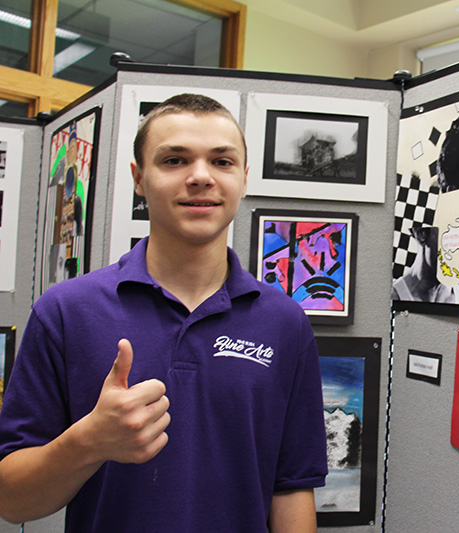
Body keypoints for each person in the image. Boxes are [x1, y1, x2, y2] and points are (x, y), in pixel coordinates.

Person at [0, 94, 328, 531]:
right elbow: (13, 502)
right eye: (174, 160)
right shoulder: (64, 312)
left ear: (244, 179)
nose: (200, 177)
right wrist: (88, 442)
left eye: (222, 162)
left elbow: (291, 488)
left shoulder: (285, 322)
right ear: (139, 179)